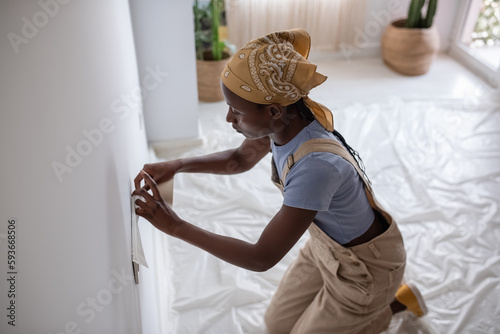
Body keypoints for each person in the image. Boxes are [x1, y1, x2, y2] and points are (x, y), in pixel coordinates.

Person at [132, 28, 427, 333]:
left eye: (236, 111)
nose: (229, 119)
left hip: (364, 273)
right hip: (325, 250)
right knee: (276, 325)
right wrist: (178, 165)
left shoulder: (315, 166)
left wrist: (175, 226)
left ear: (273, 110)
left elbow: (261, 257)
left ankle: (391, 304)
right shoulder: (285, 123)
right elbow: (239, 160)